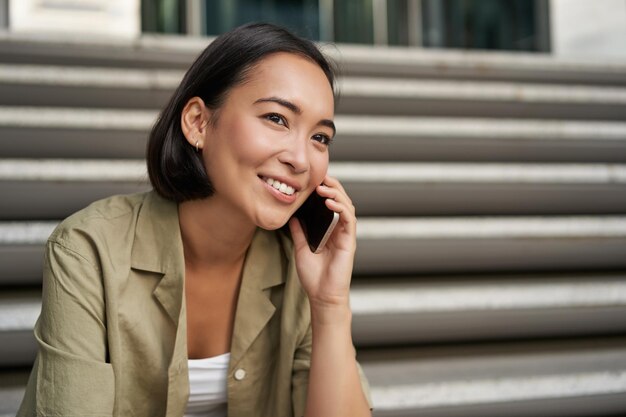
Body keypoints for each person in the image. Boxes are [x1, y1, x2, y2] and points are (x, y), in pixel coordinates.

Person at [17, 22, 373, 417]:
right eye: (276, 118)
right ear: (198, 123)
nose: (302, 160)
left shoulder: (299, 264)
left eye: (320, 138)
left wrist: (330, 304)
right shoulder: (88, 250)